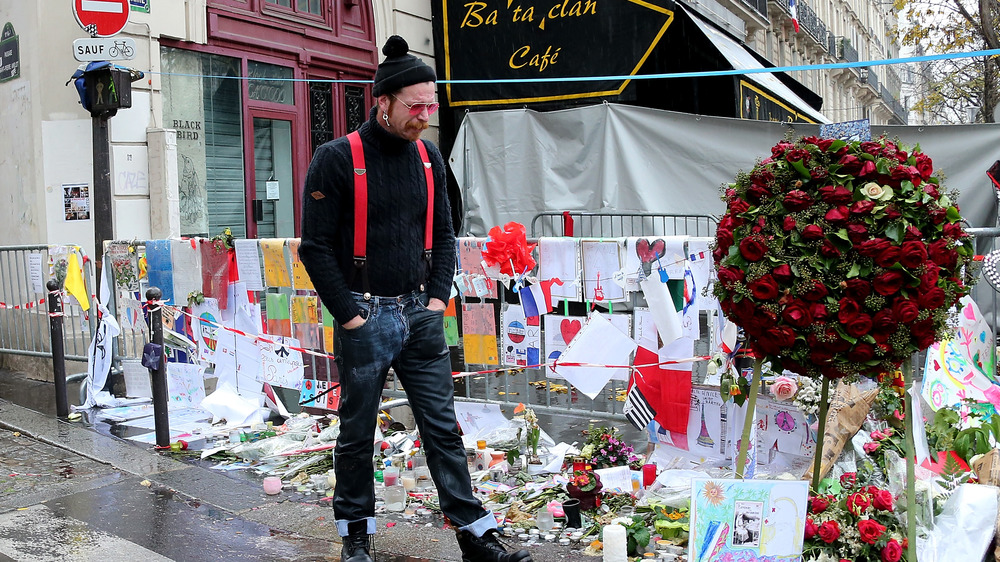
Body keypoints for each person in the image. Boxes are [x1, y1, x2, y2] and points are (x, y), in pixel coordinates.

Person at [299, 35, 532, 562]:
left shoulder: (428, 157)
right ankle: (356, 534)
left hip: (420, 314)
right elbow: (314, 249)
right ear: (381, 101)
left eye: (431, 105)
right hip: (365, 313)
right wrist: (352, 317)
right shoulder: (336, 159)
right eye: (415, 106)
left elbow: (447, 234)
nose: (425, 116)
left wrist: (436, 300)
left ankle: (476, 534)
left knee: (443, 429)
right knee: (356, 433)